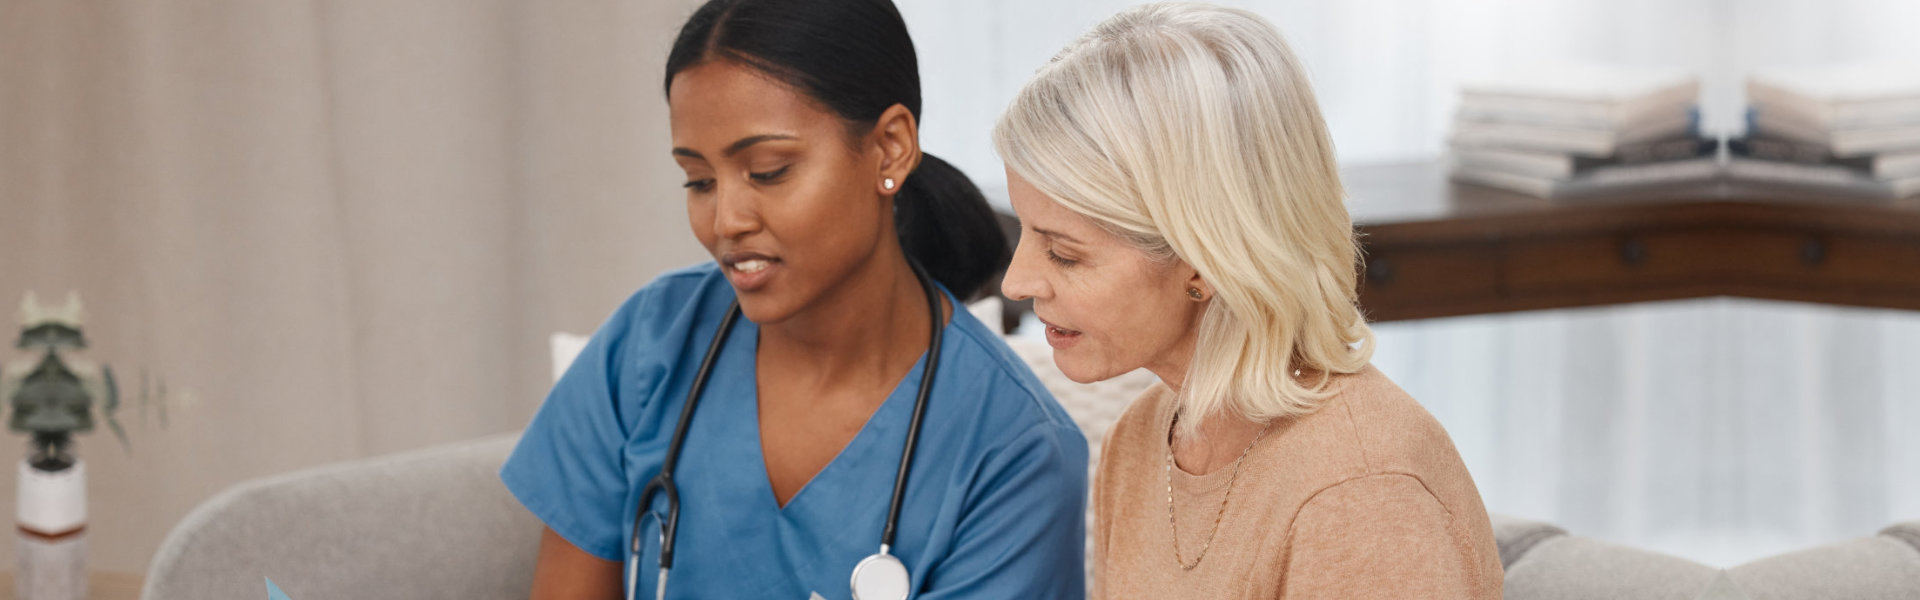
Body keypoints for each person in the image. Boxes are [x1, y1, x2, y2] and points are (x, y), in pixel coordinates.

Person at [502, 1, 1088, 598]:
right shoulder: (648, 344)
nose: (725, 221)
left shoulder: (1014, 451)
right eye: (699, 180)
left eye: (769, 171)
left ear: (889, 148)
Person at [994, 3, 1503, 598]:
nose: (1015, 281)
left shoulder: (1361, 491)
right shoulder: (1142, 438)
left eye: (1065, 254)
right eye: (1024, 235)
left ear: (1204, 260)